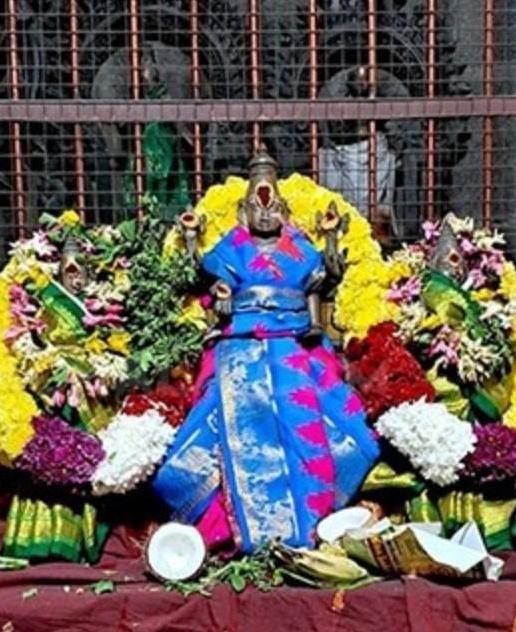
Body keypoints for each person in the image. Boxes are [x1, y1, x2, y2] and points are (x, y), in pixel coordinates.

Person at [151, 147, 380, 552]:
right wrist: (206, 266)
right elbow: (200, 274)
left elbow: (326, 276)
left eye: (271, 204)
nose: (265, 212)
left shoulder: (298, 247)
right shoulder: (232, 245)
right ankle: (237, 521)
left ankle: (314, 517)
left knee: (350, 431)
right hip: (238, 345)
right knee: (242, 401)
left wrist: (330, 237)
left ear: (283, 209)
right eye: (257, 204)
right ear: (243, 211)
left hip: (296, 341)